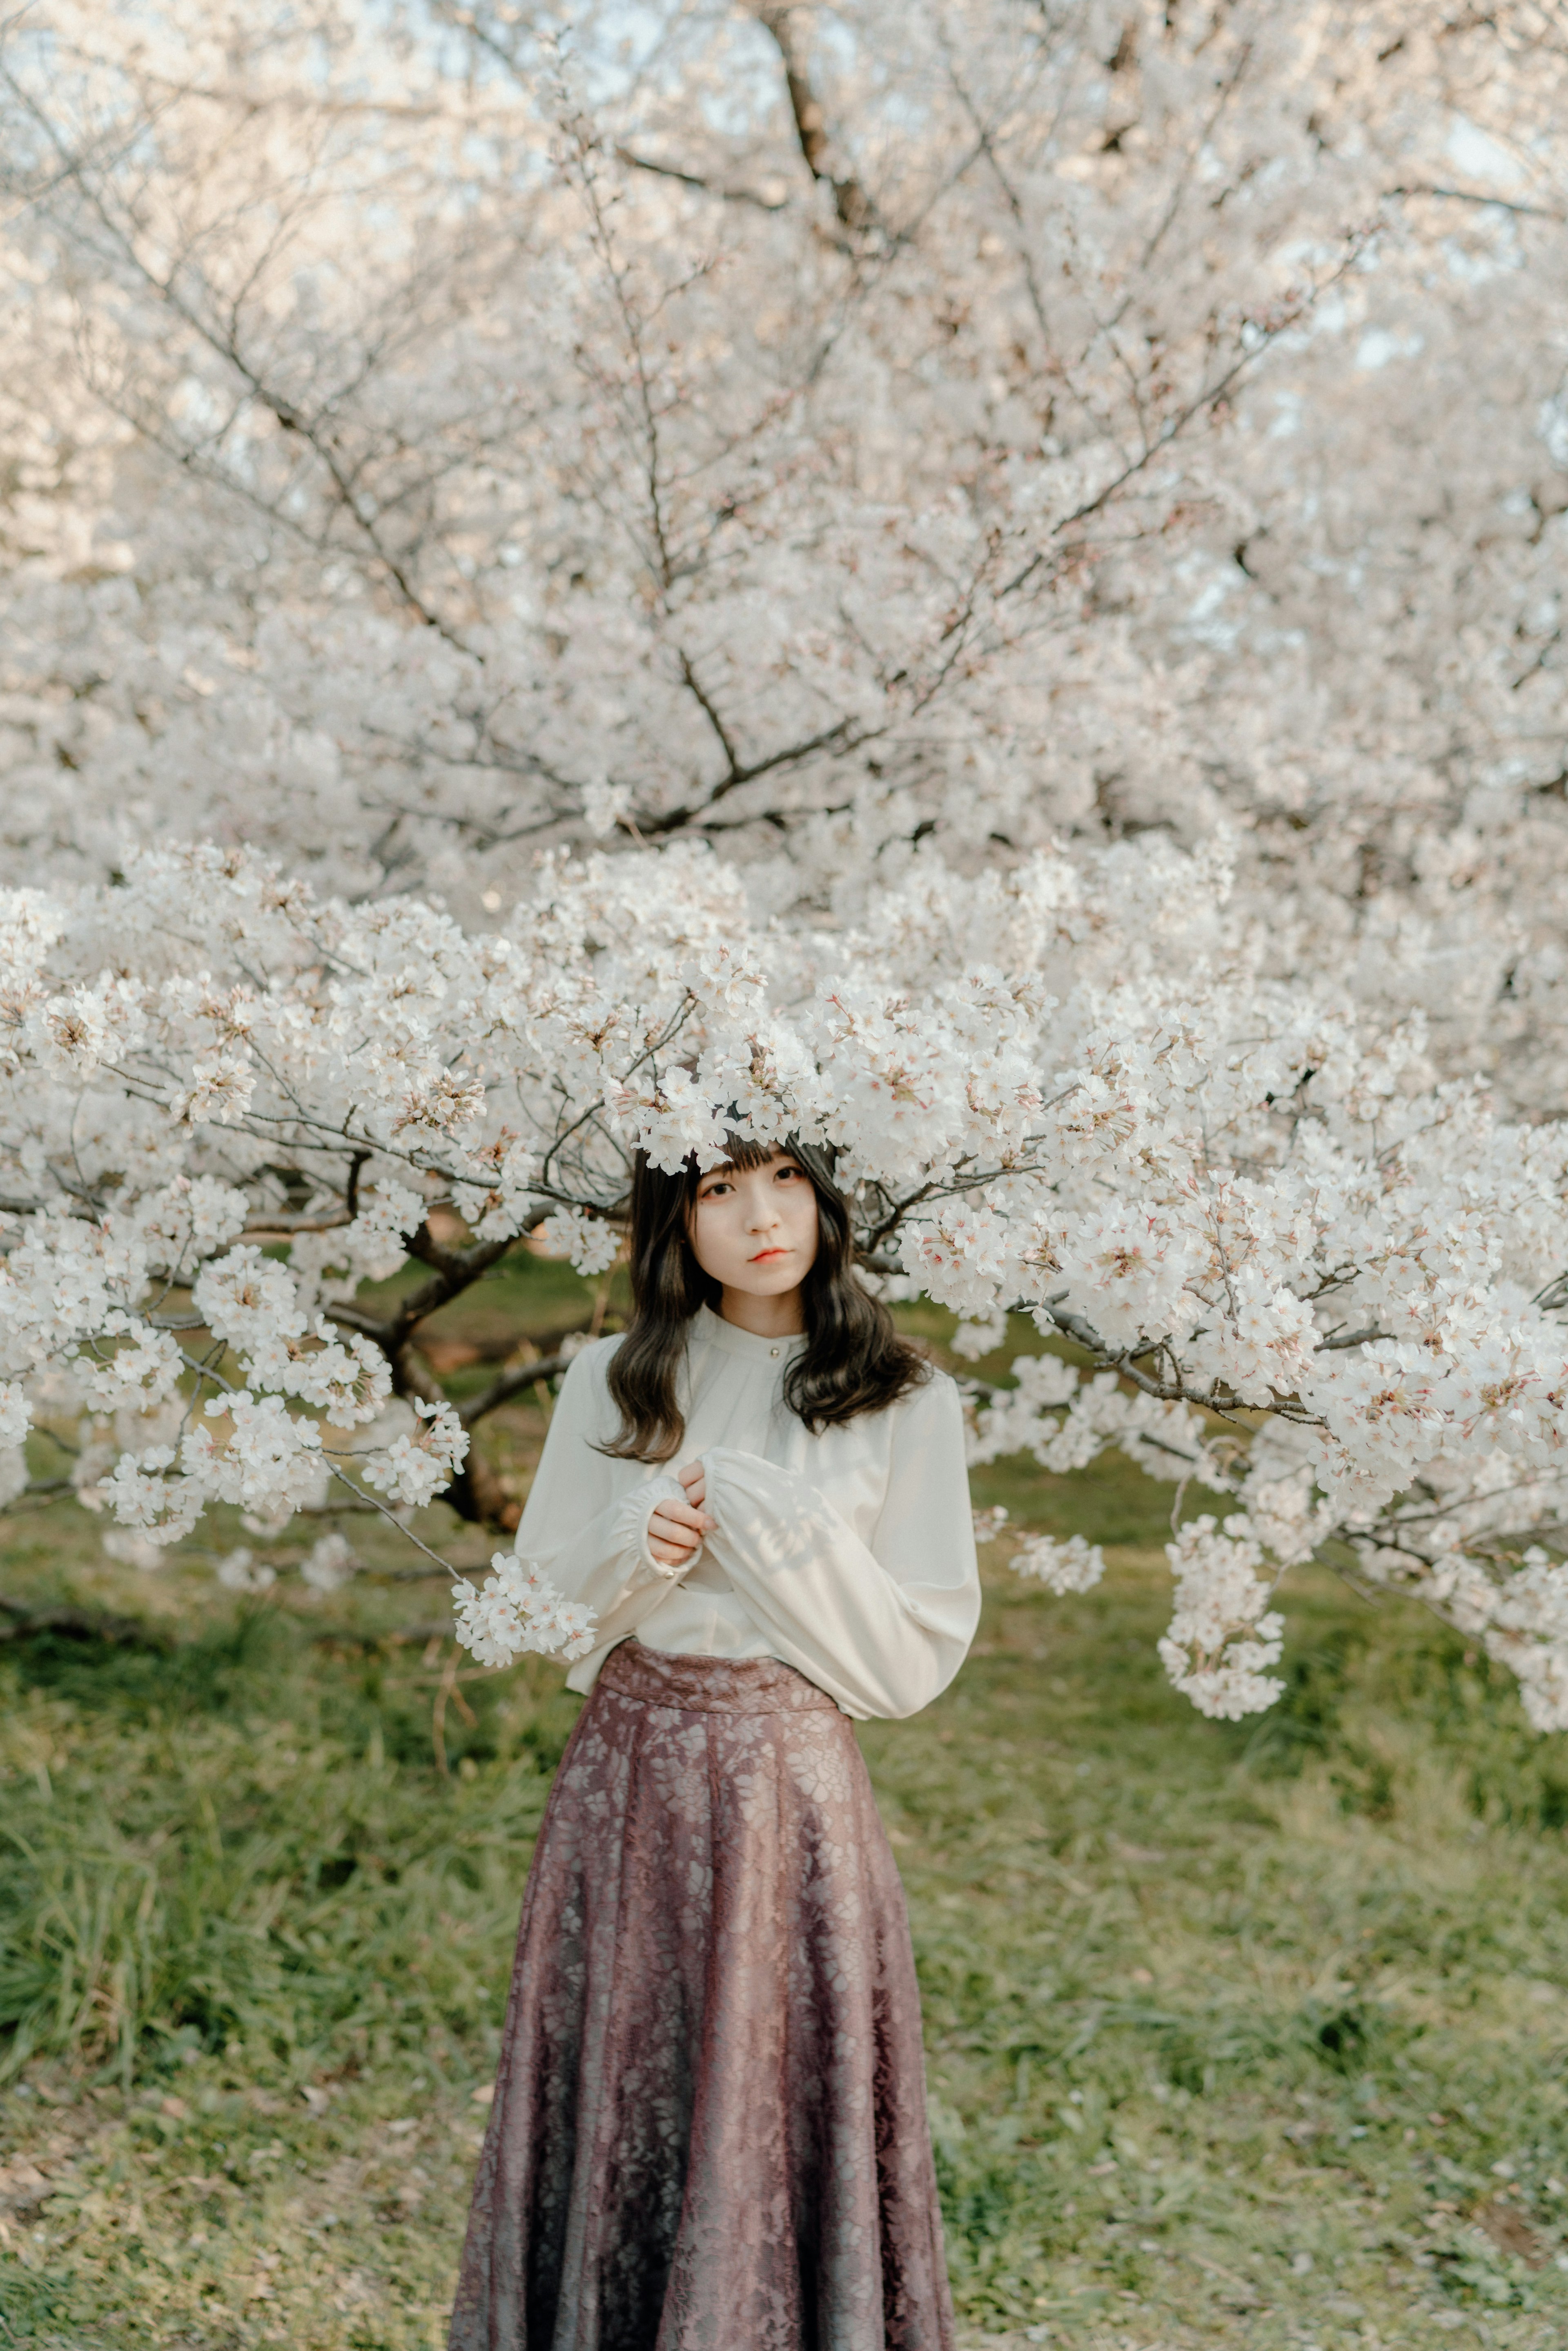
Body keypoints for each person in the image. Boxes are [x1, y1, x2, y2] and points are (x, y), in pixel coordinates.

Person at [449, 1135, 982, 2351]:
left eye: (786, 1177)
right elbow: (542, 1610)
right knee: (627, 2081)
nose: (759, 1216)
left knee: (775, 2091)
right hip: (630, 1769)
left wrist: (778, 1531)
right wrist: (645, 1538)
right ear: (675, 1217)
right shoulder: (617, 1377)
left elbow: (910, 1659)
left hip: (789, 1788)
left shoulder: (902, 1393)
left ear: (831, 1190)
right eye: (719, 1189)